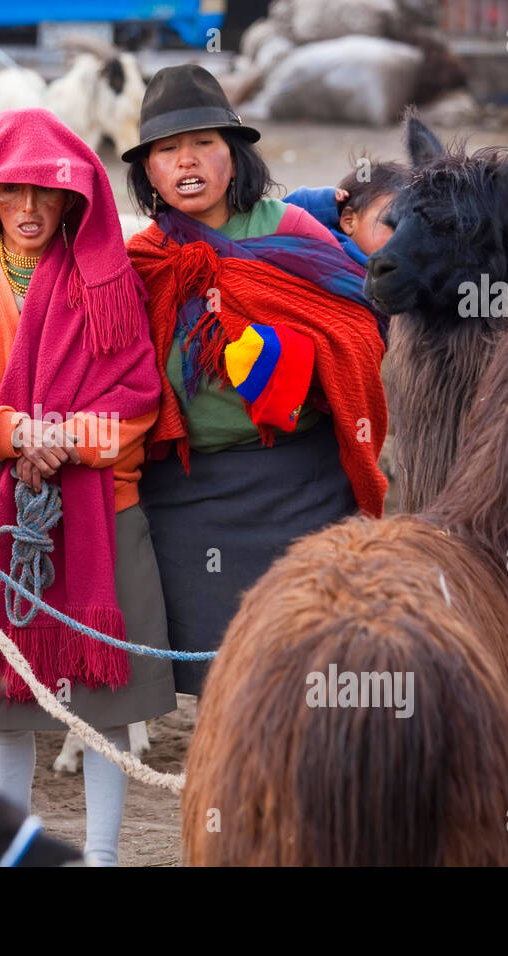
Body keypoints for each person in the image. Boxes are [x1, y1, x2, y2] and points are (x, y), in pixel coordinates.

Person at [0, 107, 176, 866]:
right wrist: (16, 434)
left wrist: (66, 441)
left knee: (103, 709)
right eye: (11, 193)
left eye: (46, 192)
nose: (29, 210)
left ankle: (100, 857)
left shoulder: (109, 286)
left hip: (102, 511)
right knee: (5, 703)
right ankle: (12, 855)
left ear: (74, 199)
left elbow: (140, 402)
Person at [123, 65, 388, 695]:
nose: (187, 161)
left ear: (234, 158)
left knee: (307, 668)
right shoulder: (143, 260)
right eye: (167, 150)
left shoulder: (288, 231)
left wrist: (284, 362)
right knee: (223, 686)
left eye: (205, 144)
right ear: (149, 173)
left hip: (300, 487)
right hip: (188, 497)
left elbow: (359, 331)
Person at [285, 159, 408, 265]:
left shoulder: (401, 271)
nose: (403, 239)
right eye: (393, 224)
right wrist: (325, 201)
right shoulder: (330, 243)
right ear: (349, 221)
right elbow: (284, 215)